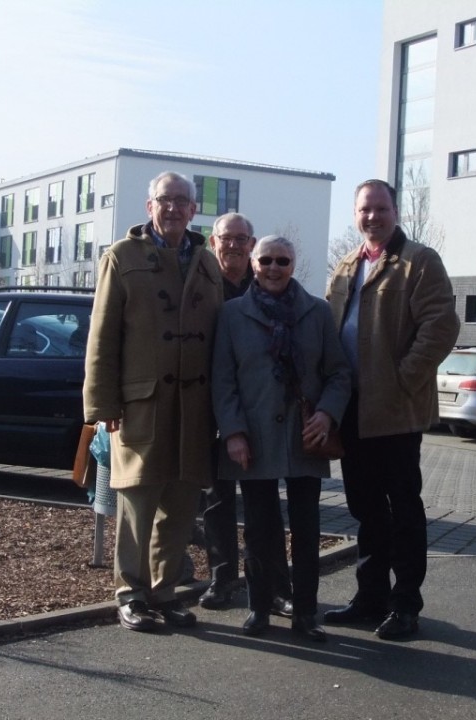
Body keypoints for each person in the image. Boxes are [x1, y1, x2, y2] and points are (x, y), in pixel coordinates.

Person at [83, 171, 224, 632]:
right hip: (142, 404)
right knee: (137, 505)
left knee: (180, 506)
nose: (174, 208)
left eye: (182, 201)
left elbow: (220, 338)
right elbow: (101, 336)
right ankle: (131, 594)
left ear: (193, 210)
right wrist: (102, 404)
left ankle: (164, 593)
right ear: (150, 207)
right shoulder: (121, 257)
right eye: (165, 199)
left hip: (194, 408)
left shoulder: (206, 262)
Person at [324, 179, 460, 640]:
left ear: (394, 211)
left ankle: (405, 605)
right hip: (353, 410)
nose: (372, 217)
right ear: (355, 214)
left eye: (380, 209)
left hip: (396, 410)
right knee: (365, 510)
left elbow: (441, 327)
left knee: (403, 509)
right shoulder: (346, 264)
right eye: (364, 210)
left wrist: (404, 377)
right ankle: (370, 598)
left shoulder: (419, 262)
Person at [212, 235, 351, 641]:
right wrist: (233, 432)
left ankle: (306, 613)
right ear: (254, 264)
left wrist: (327, 413)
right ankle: (259, 607)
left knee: (306, 529)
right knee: (259, 528)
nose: (274, 268)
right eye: (267, 260)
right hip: (252, 438)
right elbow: (223, 380)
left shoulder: (318, 313)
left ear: (294, 265)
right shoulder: (232, 314)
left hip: (305, 435)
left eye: (283, 261)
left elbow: (339, 372)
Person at [198, 212, 294, 617]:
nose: (234, 245)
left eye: (242, 238)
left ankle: (274, 585)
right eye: (226, 237)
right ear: (213, 242)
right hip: (206, 404)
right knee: (216, 500)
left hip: (254, 409)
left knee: (263, 502)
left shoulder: (265, 287)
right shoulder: (199, 285)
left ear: (252, 245)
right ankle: (222, 580)